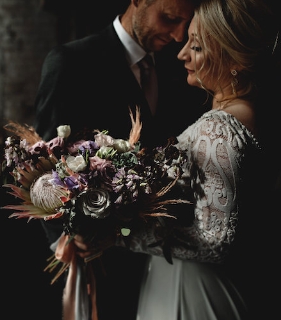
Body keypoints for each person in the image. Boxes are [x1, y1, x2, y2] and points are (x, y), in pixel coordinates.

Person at [73, 0, 281, 318]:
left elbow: (215, 242)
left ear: (235, 60)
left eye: (196, 46)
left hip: (194, 289)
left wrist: (119, 233)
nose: (181, 53)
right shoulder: (254, 116)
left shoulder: (219, 128)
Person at [33, 0, 209, 318]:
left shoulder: (180, 66)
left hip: (160, 255)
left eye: (187, 23)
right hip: (91, 256)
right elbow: (46, 162)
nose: (180, 36)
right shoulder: (71, 62)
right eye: (170, 18)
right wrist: (66, 236)